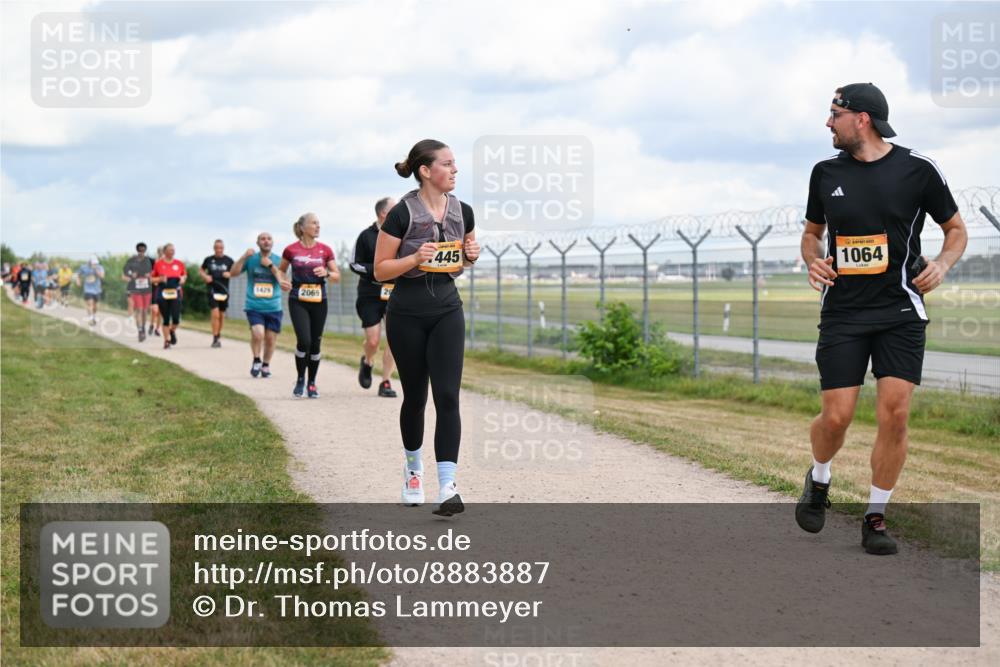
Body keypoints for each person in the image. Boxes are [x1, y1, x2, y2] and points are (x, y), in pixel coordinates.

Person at [797, 83, 968, 555]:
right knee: (837, 417)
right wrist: (812, 258)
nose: (828, 123)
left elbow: (955, 229)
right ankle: (819, 477)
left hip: (900, 311)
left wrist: (942, 264)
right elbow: (813, 235)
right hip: (844, 313)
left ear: (862, 118)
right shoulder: (824, 172)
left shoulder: (918, 169)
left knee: (895, 414)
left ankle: (875, 516)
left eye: (834, 113)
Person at [374, 139, 481, 516]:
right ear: (425, 171)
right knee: (416, 396)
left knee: (448, 396)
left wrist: (470, 257)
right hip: (407, 312)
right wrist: (413, 258)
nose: (455, 170)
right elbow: (380, 270)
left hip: (447, 308)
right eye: (448, 164)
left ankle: (448, 485)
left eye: (455, 164)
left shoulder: (464, 211)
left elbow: (460, 263)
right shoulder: (402, 214)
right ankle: (413, 470)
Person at [279, 214, 340, 398]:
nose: (318, 226)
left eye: (319, 223)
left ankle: (312, 383)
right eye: (314, 223)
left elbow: (337, 275)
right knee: (304, 341)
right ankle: (300, 379)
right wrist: (283, 281)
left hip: (319, 301)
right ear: (303, 227)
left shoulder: (325, 250)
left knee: (315, 344)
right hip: (298, 299)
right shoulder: (291, 250)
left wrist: (327, 273)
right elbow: (281, 271)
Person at [351, 196, 399, 398]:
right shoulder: (366, 236)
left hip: (395, 293)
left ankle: (386, 381)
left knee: (395, 341)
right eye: (395, 209)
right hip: (370, 293)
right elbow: (355, 264)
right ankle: (368, 362)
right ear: (383, 213)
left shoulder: (402, 235)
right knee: (373, 341)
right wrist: (379, 271)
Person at [230, 232, 290, 377]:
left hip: (273, 306)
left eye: (269, 239)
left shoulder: (278, 260)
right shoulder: (251, 259)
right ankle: (256, 359)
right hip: (254, 305)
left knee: (270, 339)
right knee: (258, 334)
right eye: (262, 239)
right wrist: (244, 257)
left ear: (272, 242)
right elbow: (233, 273)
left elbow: (285, 282)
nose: (266, 241)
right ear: (258, 243)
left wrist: (270, 266)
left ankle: (266, 365)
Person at [200, 239, 235, 348]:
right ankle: (215, 338)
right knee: (215, 313)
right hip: (212, 289)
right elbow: (201, 270)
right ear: (214, 248)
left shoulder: (229, 260)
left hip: (224, 290)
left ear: (223, 248)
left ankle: (218, 334)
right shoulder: (209, 260)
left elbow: (235, 271)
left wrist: (230, 274)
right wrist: (205, 276)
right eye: (217, 248)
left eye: (221, 248)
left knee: (221, 315)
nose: (219, 250)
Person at [152, 243, 187, 349]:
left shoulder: (179, 263)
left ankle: (172, 331)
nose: (172, 251)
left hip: (175, 293)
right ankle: (166, 341)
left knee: (176, 319)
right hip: (162, 293)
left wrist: (182, 279)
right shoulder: (158, 264)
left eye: (173, 250)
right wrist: (159, 279)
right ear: (165, 251)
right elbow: (152, 279)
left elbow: (184, 275)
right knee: (166, 318)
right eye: (170, 250)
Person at [123, 242, 154, 342]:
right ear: (137, 250)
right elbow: (125, 271)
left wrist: (150, 274)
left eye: (143, 250)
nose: (141, 252)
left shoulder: (150, 260)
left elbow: (156, 271)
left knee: (145, 311)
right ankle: (140, 330)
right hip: (136, 288)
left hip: (147, 289)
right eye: (140, 250)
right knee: (139, 309)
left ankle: (143, 327)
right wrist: (132, 274)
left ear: (145, 250)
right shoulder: (131, 260)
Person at [75, 256, 105, 324]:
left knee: (95, 306)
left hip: (97, 289)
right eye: (93, 263)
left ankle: (93, 316)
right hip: (88, 289)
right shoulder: (84, 267)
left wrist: (96, 270)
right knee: (89, 303)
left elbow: (102, 276)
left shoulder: (100, 267)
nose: (94, 264)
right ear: (89, 262)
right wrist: (78, 280)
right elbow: (78, 274)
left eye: (95, 263)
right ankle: (91, 318)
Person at [149, 246, 164, 338]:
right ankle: (151, 324)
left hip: (164, 288)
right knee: (155, 310)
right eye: (160, 252)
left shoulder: (167, 264)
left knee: (161, 311)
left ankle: (157, 329)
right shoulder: (154, 262)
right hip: (154, 288)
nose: (162, 254)